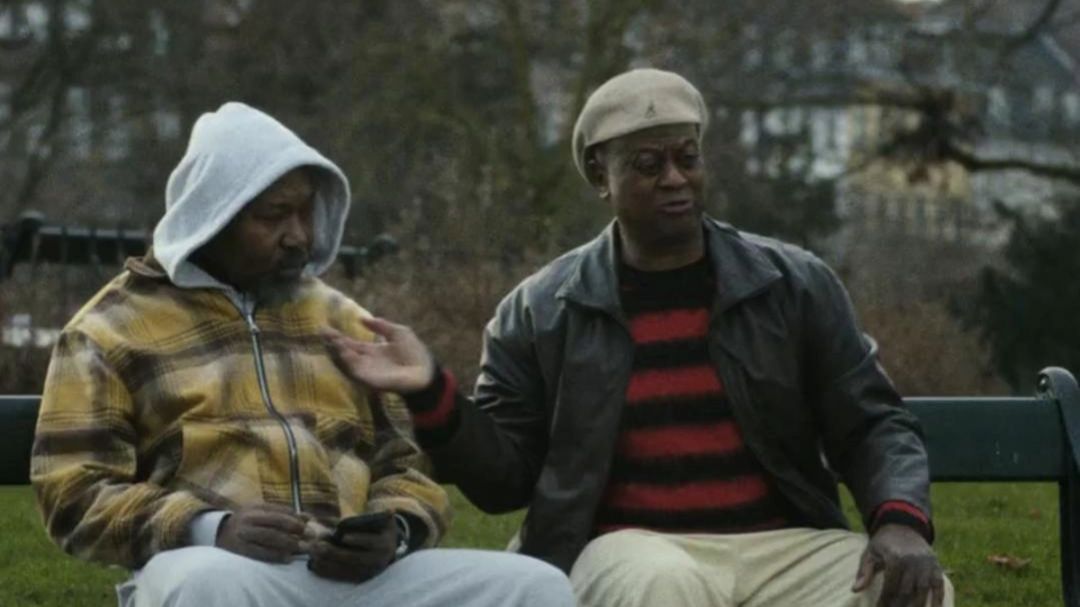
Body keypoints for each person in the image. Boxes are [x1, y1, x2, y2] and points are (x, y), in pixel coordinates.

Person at [327, 69, 955, 607]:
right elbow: (504, 482)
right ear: (600, 175)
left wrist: (899, 522)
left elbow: (872, 421)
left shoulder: (792, 284)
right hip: (623, 547)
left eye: (688, 158)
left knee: (909, 588)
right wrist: (430, 390)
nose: (675, 178)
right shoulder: (542, 310)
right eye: (649, 165)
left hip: (780, 546)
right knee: (660, 581)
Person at [30, 102, 574, 607]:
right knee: (206, 585)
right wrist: (210, 527)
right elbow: (73, 494)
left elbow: (405, 465)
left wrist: (397, 528)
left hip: (355, 580)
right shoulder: (109, 330)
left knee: (534, 587)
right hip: (221, 570)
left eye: (307, 213)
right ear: (212, 215)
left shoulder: (341, 320)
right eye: (275, 215)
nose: (300, 237)